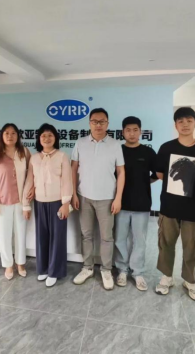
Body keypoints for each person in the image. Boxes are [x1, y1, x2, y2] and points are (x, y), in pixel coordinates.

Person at [155, 107, 195, 300]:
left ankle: (189, 280)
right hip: (169, 206)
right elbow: (160, 174)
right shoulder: (166, 148)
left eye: (189, 120)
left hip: (193, 207)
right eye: (181, 121)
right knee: (166, 243)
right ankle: (166, 277)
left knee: (191, 246)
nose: (185, 124)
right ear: (175, 125)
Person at [71, 108, 125, 290]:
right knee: (86, 235)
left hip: (107, 198)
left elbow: (121, 172)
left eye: (102, 121)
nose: (98, 125)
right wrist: (73, 194)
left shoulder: (115, 145)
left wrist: (118, 198)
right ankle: (87, 267)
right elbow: (73, 169)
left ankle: (106, 269)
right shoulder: (80, 143)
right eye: (94, 121)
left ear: (107, 124)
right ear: (89, 123)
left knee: (107, 237)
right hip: (84, 196)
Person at [23, 124, 73, 287]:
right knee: (42, 237)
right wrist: (26, 204)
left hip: (57, 203)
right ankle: (43, 269)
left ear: (55, 138)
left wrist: (66, 203)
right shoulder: (34, 158)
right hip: (39, 202)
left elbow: (67, 180)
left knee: (57, 238)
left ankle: (54, 271)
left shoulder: (62, 156)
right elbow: (30, 181)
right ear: (39, 139)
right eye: (43, 135)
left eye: (50, 135)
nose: (47, 138)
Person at [114, 116, 158, 291]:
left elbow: (157, 173)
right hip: (120, 203)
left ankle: (137, 272)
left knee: (139, 240)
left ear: (140, 132)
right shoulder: (117, 150)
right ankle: (122, 270)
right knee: (120, 239)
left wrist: (145, 182)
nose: (131, 133)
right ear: (123, 132)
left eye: (135, 130)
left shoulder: (148, 152)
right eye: (128, 130)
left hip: (142, 203)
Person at [0, 123, 31, 280]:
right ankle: (8, 265)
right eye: (6, 133)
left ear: (18, 136)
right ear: (1, 136)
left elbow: (31, 176)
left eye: (13, 133)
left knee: (20, 234)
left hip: (21, 201)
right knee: (4, 235)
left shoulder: (24, 152)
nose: (10, 136)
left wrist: (28, 200)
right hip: (2, 202)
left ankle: (21, 263)